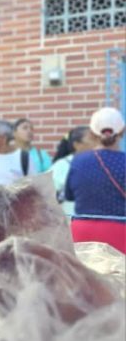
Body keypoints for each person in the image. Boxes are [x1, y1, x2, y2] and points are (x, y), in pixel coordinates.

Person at [65, 107, 126, 253]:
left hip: (82, 234)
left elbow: (69, 195)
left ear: (92, 134)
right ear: (122, 131)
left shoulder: (78, 161)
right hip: (119, 233)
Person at [50, 126, 95, 216]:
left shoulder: (98, 164)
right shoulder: (62, 165)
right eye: (92, 139)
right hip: (69, 220)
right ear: (77, 144)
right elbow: (48, 193)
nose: (97, 143)